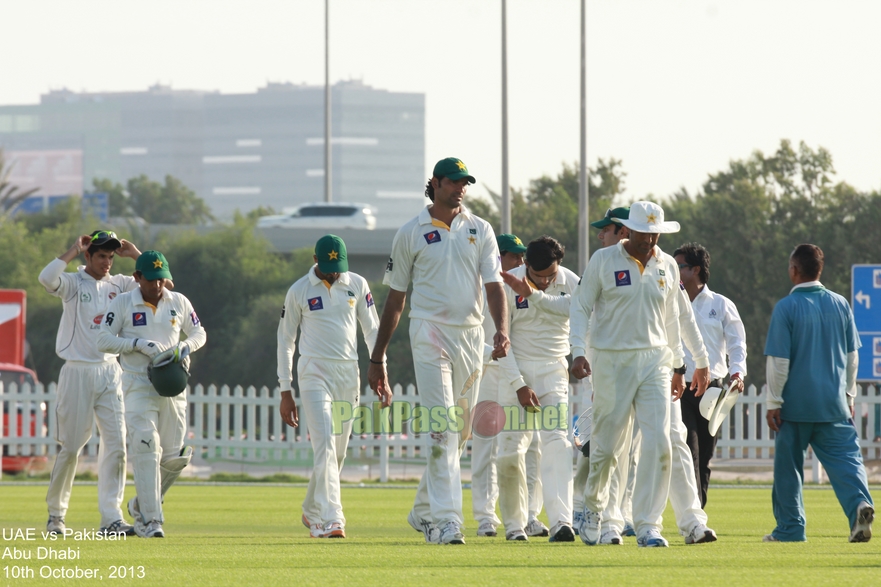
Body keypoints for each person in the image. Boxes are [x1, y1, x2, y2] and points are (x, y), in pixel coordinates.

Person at [368, 157, 509, 545]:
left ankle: (421, 510)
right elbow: (395, 300)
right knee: (443, 427)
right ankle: (447, 521)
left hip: (470, 334)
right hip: (428, 331)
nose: (461, 188)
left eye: (465, 182)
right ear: (436, 183)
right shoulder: (410, 232)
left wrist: (501, 330)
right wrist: (377, 357)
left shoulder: (480, 229)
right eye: (454, 182)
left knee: (459, 435)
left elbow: (494, 286)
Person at [569, 200, 694, 548]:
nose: (650, 240)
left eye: (655, 234)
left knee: (660, 443)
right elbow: (580, 307)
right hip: (612, 360)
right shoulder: (603, 260)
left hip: (655, 360)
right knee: (608, 449)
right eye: (644, 233)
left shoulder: (667, 265)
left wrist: (679, 366)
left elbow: (672, 321)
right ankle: (600, 514)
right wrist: (578, 351)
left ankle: (648, 524)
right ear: (628, 230)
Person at [276, 235, 386, 539]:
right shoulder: (299, 290)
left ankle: (311, 509)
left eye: (338, 267)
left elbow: (372, 330)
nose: (333, 273)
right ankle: (331, 519)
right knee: (323, 444)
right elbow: (285, 340)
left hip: (347, 373)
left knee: (336, 453)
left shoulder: (357, 284)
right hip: (313, 372)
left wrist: (382, 369)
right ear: (315, 260)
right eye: (328, 267)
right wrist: (286, 389)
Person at [763, 244, 874, 543]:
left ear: (794, 270)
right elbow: (853, 357)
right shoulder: (841, 304)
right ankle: (859, 507)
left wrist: (773, 401)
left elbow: (779, 362)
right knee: (847, 463)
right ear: (820, 270)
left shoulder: (786, 307)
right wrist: (849, 396)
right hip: (834, 403)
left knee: (789, 469)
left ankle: (790, 528)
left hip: (795, 405)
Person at [38, 230, 142, 536]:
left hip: (110, 371)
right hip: (77, 371)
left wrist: (136, 254)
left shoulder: (120, 284)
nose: (107, 262)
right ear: (88, 256)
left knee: (117, 446)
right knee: (70, 448)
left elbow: (161, 282)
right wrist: (72, 249)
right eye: (101, 256)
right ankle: (56, 515)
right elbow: (46, 278)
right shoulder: (73, 283)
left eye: (111, 256)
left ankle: (111, 518)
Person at [97, 250, 206, 538]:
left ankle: (141, 503)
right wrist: (136, 344)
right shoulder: (123, 302)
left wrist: (187, 347)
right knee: (146, 446)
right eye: (152, 280)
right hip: (137, 384)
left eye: (162, 279)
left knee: (175, 458)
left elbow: (199, 333)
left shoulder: (178, 301)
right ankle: (151, 520)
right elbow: (102, 339)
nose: (158, 286)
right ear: (137, 277)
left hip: (173, 386)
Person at [497, 236, 580, 542]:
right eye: (539, 276)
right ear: (526, 264)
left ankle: (561, 521)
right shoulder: (508, 283)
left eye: (551, 276)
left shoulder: (570, 281)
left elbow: (578, 316)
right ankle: (515, 525)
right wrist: (519, 385)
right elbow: (501, 341)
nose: (545, 282)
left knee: (558, 443)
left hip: (554, 370)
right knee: (510, 451)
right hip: (516, 370)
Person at [472, 233, 545, 538]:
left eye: (521, 256)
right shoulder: (481, 286)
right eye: (514, 256)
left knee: (531, 447)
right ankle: (486, 516)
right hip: (489, 369)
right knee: (486, 446)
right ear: (498, 257)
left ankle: (529, 514)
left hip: (520, 373)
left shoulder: (523, 289)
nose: (520, 261)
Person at [673, 242, 747, 507]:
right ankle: (692, 514)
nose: (672, 270)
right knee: (688, 449)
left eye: (678, 266)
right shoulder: (670, 303)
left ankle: (698, 512)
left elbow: (738, 344)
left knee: (704, 456)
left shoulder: (721, 304)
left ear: (695, 270)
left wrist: (737, 373)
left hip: (713, 391)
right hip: (679, 388)